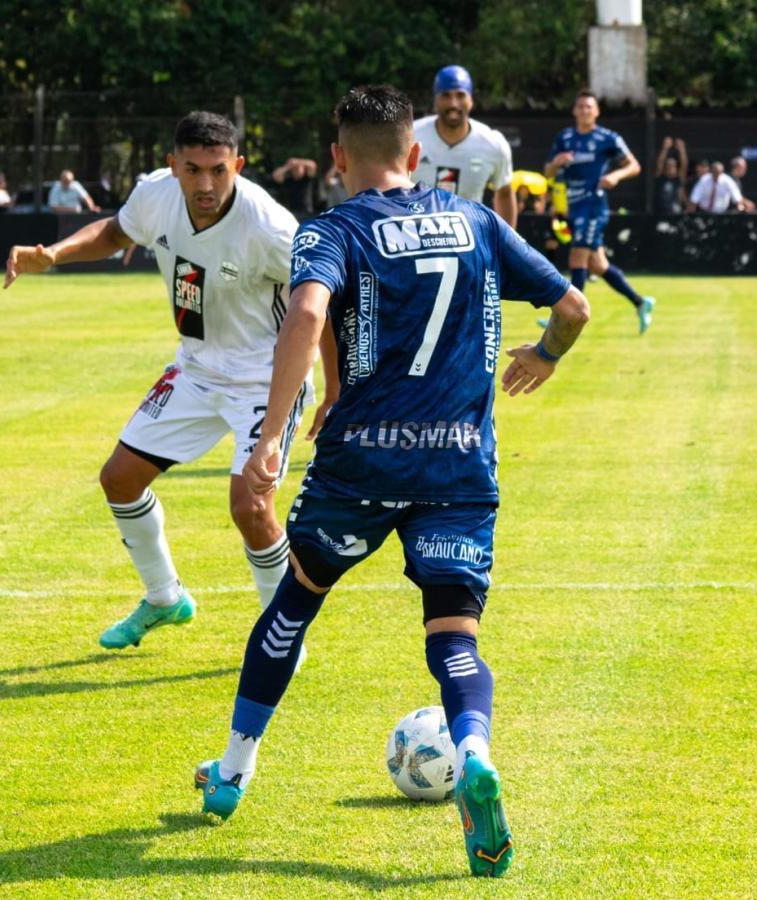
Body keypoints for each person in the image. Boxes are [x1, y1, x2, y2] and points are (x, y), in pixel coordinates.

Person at [192, 84, 590, 879]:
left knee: (296, 600)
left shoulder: (333, 229)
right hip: (457, 463)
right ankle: (473, 751)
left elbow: (308, 316)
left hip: (360, 464)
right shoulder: (476, 220)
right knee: (454, 632)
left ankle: (234, 769)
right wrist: (543, 353)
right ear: (416, 155)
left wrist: (270, 438)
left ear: (338, 158)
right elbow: (574, 305)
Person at [4, 111, 334, 654]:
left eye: (218, 171)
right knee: (120, 478)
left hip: (265, 380)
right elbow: (115, 232)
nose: (205, 184)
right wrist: (55, 254)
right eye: (193, 169)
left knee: (251, 509)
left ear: (239, 167)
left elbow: (319, 306)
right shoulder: (156, 193)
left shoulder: (271, 227)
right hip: (197, 370)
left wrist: (336, 391)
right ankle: (164, 598)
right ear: (172, 165)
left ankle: (283, 638)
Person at [545, 89, 655, 333]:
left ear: (596, 112)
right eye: (581, 106)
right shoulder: (564, 138)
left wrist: (615, 175)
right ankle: (641, 302)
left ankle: (569, 318)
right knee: (597, 265)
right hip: (572, 206)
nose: (584, 110)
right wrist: (555, 163)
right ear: (574, 111)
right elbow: (548, 173)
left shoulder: (608, 138)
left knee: (577, 257)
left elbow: (634, 165)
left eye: (589, 107)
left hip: (593, 206)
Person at [410, 65, 517, 227]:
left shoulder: (494, 144)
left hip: (470, 242)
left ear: (471, 100)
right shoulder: (410, 135)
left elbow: (504, 193)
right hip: (414, 240)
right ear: (435, 101)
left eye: (460, 95)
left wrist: (507, 245)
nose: (453, 103)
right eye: (446, 95)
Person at [654, 136, 688, 214]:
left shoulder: (678, 179)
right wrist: (665, 148)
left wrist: (682, 150)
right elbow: (659, 162)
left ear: (676, 168)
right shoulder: (660, 178)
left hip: (676, 212)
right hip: (660, 212)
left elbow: (684, 165)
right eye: (668, 166)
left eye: (673, 166)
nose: (670, 168)